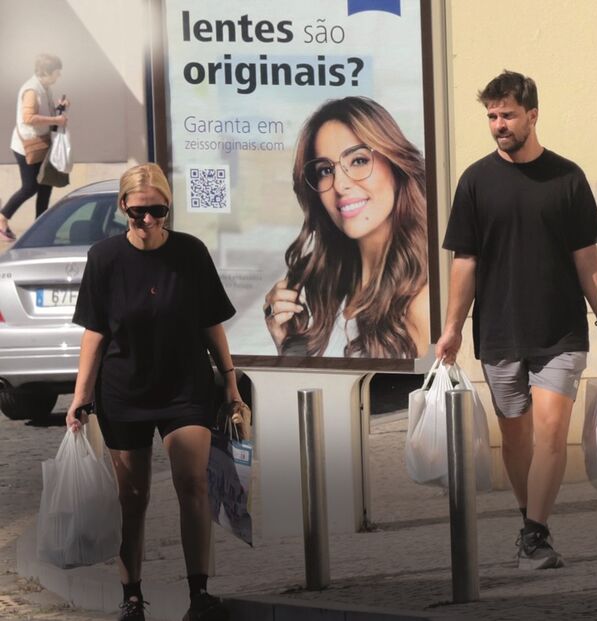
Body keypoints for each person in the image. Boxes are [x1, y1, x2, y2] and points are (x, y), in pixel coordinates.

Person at [436, 70, 597, 569]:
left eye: (507, 115)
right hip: (500, 331)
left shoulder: (566, 177)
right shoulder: (476, 182)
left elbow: (586, 256)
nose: (499, 124)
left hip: (560, 331)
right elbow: (465, 262)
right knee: (517, 437)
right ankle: (530, 518)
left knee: (551, 431)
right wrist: (452, 328)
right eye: (491, 116)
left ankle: (536, 534)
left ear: (532, 114)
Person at [67, 163, 239, 621]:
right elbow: (95, 333)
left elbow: (211, 323)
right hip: (124, 390)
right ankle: (131, 596)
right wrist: (80, 396)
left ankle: (199, 594)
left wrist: (231, 381)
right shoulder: (104, 259)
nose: (147, 221)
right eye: (139, 212)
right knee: (133, 497)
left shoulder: (191, 253)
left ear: (168, 208)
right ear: (123, 206)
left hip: (186, 386)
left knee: (193, 483)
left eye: (157, 211)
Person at [264, 96, 429, 358]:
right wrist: (286, 342)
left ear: (397, 164)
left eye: (359, 161)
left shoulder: (421, 300)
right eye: (325, 170)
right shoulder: (326, 289)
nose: (340, 185)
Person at [0, 53, 69, 241]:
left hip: (41, 142)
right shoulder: (32, 90)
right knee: (30, 187)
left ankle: (41, 227)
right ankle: (2, 218)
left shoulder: (44, 87)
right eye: (57, 72)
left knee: (46, 184)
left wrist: (59, 108)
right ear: (47, 72)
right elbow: (28, 118)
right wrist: (56, 119)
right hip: (28, 147)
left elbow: (42, 113)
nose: (59, 75)